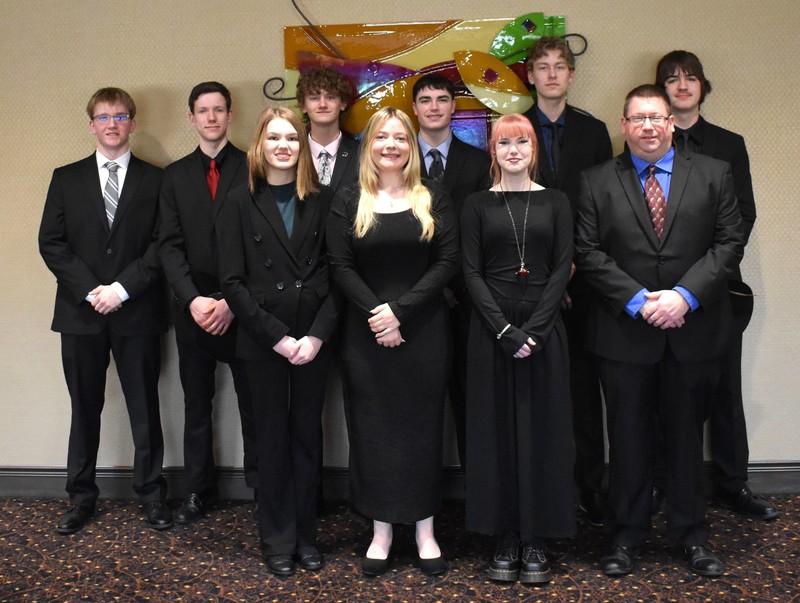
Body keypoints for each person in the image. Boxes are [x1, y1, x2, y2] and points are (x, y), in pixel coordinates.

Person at [575, 84, 744, 577]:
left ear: (671, 122)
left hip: (692, 331)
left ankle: (692, 535)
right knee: (626, 439)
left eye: (656, 117)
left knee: (687, 439)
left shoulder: (714, 174)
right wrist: (637, 300)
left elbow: (729, 241)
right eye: (637, 119)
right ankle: (625, 535)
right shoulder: (595, 181)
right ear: (623, 126)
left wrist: (683, 297)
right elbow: (587, 252)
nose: (647, 127)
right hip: (624, 334)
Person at [327, 107, 458, 577]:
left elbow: (447, 262)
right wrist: (377, 314)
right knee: (373, 432)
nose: (391, 145)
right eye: (382, 137)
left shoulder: (434, 196)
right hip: (364, 338)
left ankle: (425, 530)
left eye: (400, 138)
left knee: (423, 431)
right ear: (369, 146)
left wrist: (400, 312)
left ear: (412, 146)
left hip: (424, 333)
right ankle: (381, 531)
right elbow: (340, 266)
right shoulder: (348, 199)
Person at [39, 87, 171, 534]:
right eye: (103, 117)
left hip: (137, 312)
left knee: (144, 407)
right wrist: (93, 290)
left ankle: (152, 494)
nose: (112, 124)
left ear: (132, 123)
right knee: (84, 407)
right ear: (91, 124)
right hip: (81, 313)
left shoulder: (157, 180)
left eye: (120, 116)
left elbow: (162, 246)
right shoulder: (65, 178)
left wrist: (122, 289)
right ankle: (80, 497)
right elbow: (51, 244)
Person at [654, 50, 777, 521]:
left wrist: (704, 280)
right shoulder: (647, 141)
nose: (681, 85)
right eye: (671, 79)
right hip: (662, 296)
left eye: (690, 77)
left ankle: (734, 483)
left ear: (703, 85)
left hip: (720, 288)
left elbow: (742, 218)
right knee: (665, 393)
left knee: (725, 389)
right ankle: (660, 483)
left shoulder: (728, 144)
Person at [215, 106, 336, 577]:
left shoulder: (323, 201)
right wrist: (279, 339)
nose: (283, 145)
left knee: (307, 438)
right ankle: (277, 538)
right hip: (263, 339)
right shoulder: (238, 202)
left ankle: (306, 535)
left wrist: (316, 337)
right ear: (259, 146)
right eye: (274, 138)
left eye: (291, 138)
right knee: (270, 440)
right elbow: (232, 282)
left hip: (313, 339)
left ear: (301, 147)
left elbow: (337, 275)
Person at [461, 114, 575, 584]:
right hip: (491, 332)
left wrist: (538, 330)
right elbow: (470, 273)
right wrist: (505, 331)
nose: (513, 150)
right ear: (493, 151)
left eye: (521, 142)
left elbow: (563, 265)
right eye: (503, 142)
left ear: (534, 150)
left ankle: (537, 537)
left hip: (545, 328)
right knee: (496, 435)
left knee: (542, 434)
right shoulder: (474, 205)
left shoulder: (558, 202)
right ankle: (505, 534)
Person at [522, 36, 613, 526]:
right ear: (530, 76)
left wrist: (575, 260)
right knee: (532, 390)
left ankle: (591, 488)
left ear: (571, 75)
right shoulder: (512, 129)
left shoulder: (593, 131)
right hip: (527, 281)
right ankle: (538, 490)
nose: (552, 74)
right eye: (543, 66)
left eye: (560, 67)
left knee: (582, 389)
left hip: (583, 281)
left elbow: (602, 204)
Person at [158, 82, 258, 524]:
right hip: (192, 308)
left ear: (230, 115)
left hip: (243, 307)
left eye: (219, 110)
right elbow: (168, 246)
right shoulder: (174, 176)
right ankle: (199, 490)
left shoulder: (253, 167)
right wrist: (194, 300)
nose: (212, 117)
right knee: (196, 403)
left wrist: (230, 301)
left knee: (255, 403)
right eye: (203, 110)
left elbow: (261, 244)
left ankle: (262, 487)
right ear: (192, 118)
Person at [412, 73, 491, 469]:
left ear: (453, 106)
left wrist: (450, 281)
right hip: (410, 299)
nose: (434, 107)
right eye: (425, 100)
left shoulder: (478, 162)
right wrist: (425, 286)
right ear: (415, 108)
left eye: (442, 99)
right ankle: (420, 499)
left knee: (469, 398)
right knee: (417, 403)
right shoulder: (396, 158)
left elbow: (479, 232)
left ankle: (477, 497)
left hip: (464, 298)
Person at [296, 67, 359, 195]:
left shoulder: (362, 153)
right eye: (314, 98)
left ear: (343, 103)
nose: (323, 104)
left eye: (330, 97)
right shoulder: (293, 153)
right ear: (303, 106)